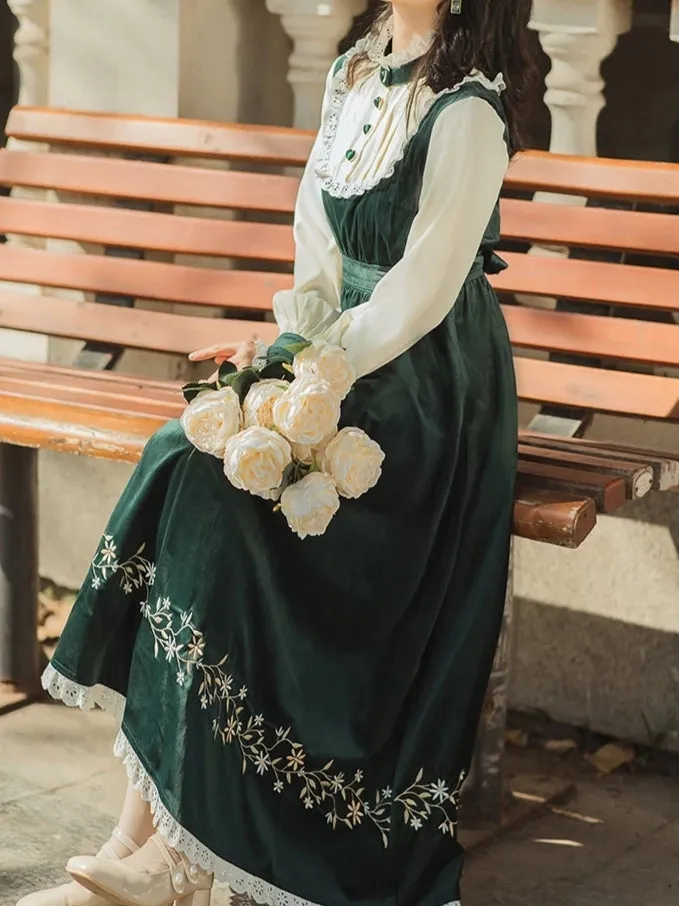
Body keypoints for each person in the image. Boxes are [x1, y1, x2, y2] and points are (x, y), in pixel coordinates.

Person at [21, 2, 535, 905]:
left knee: (229, 503)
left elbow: (419, 291)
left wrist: (319, 378)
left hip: (423, 391)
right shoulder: (351, 75)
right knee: (186, 458)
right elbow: (316, 247)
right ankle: (144, 833)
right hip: (334, 353)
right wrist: (291, 354)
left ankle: (181, 858)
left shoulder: (467, 111)